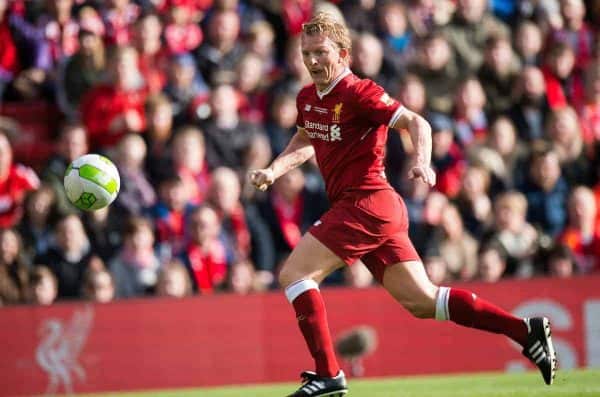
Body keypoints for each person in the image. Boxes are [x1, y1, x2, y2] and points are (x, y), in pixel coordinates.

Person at [248, 13, 556, 396]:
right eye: (306, 53)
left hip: (367, 203)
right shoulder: (308, 97)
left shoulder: (359, 92)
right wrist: (274, 170)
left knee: (294, 274)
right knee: (424, 301)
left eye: (321, 52)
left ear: (342, 54)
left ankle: (329, 375)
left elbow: (416, 122)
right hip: (372, 211)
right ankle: (524, 330)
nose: (312, 61)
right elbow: (305, 139)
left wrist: (422, 161)